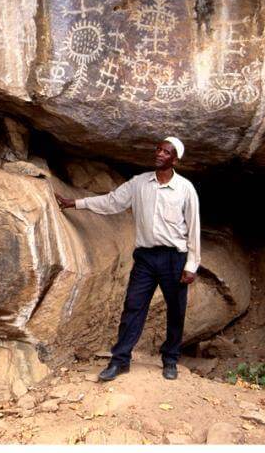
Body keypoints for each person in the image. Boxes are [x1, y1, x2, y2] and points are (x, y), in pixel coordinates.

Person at [55, 136, 200, 381]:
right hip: (145, 257)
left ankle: (170, 359)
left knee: (176, 311)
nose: (159, 154)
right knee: (133, 307)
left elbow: (194, 227)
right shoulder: (139, 183)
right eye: (158, 149)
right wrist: (75, 203)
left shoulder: (185, 189)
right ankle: (120, 360)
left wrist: (191, 264)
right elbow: (112, 202)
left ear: (175, 160)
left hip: (174, 258)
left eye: (166, 152)